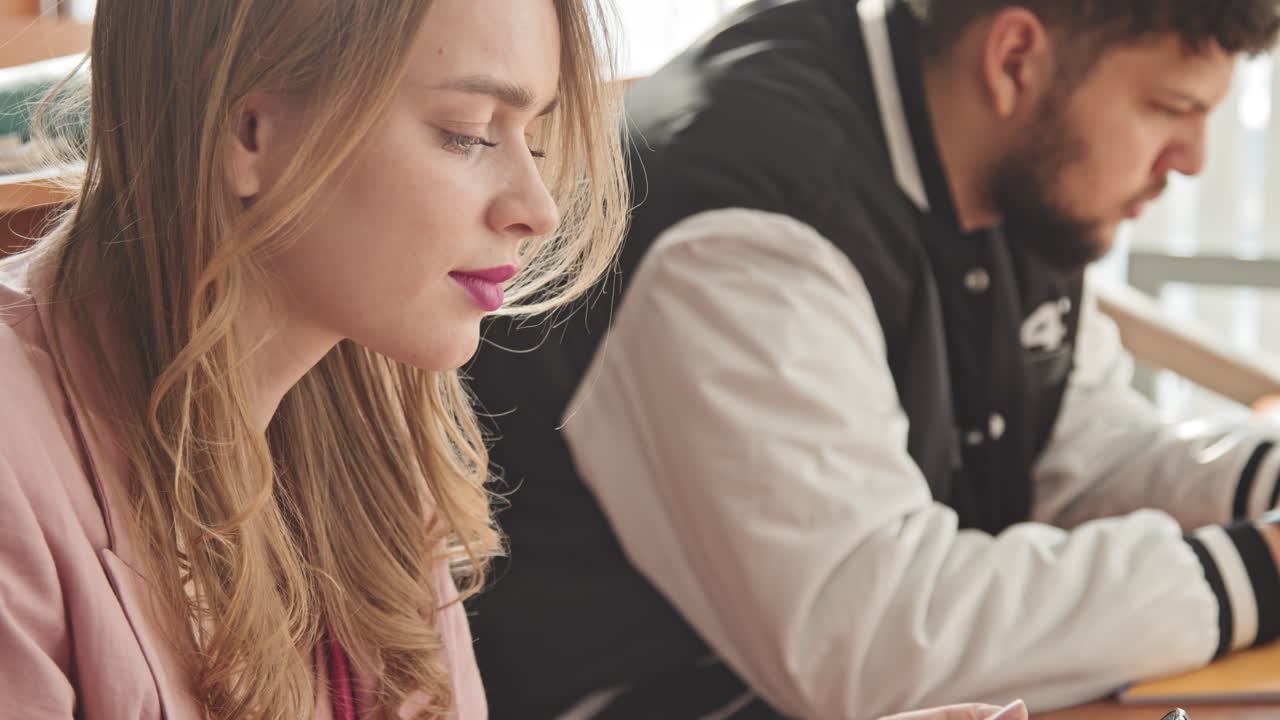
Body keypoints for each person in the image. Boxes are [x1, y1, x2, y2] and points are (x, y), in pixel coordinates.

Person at [465, 0, 1280, 717]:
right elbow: (873, 641)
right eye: (1169, 107)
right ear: (1016, 60)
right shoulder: (742, 221)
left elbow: (1081, 453)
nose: (1195, 159)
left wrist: (1265, 478)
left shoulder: (1011, 164)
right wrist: (1260, 571)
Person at [0, 0, 629, 717]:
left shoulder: (370, 400)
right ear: (248, 132)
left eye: (535, 139)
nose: (536, 208)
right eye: (469, 134)